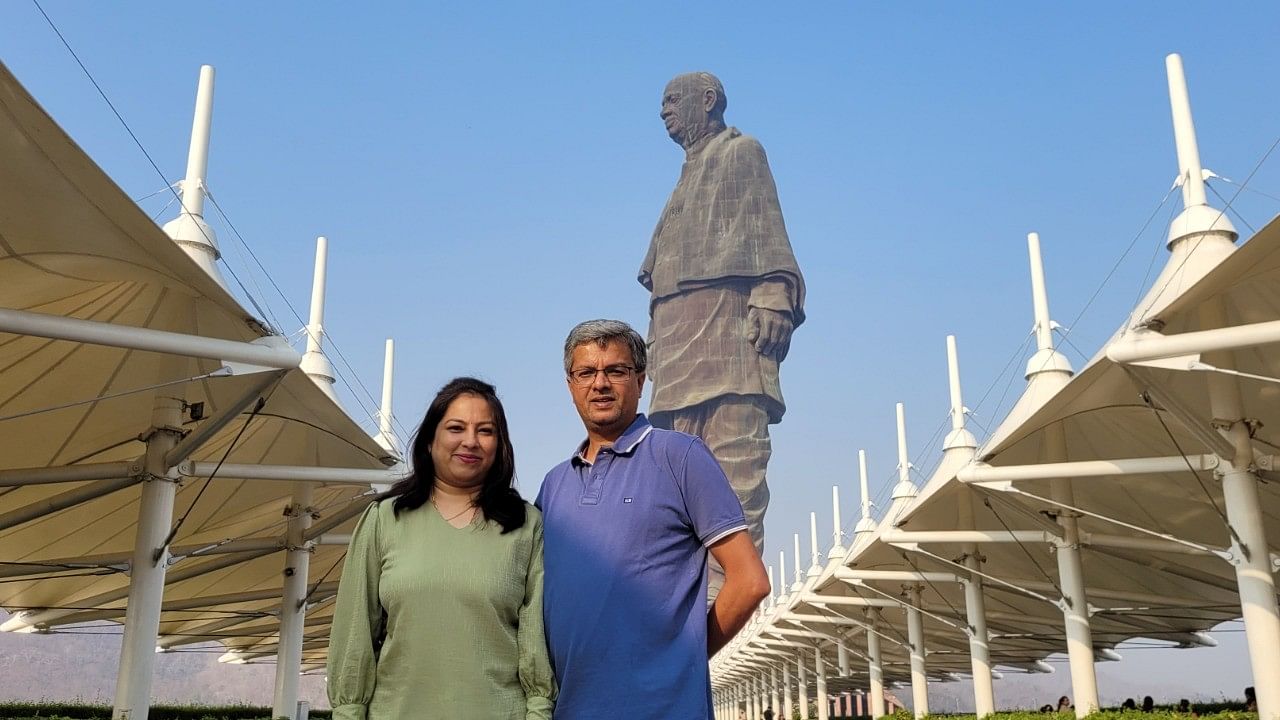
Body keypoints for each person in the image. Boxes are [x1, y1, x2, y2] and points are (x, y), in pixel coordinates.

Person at [538, 319, 771, 719]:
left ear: (641, 380)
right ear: (570, 385)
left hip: (664, 709)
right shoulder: (553, 484)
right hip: (571, 710)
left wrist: (685, 657)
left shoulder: (681, 457)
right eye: (586, 372)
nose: (601, 383)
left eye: (616, 370)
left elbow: (750, 581)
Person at [640, 71, 806, 576]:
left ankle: (729, 589)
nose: (664, 110)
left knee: (734, 473)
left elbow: (767, 230)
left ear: (707, 101)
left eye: (673, 100)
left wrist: (773, 294)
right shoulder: (686, 174)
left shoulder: (741, 152)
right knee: (674, 478)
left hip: (727, 333)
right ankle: (683, 591)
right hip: (675, 343)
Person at [328, 377, 555, 720]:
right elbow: (353, 637)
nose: (470, 441)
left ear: (500, 445)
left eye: (485, 431)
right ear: (430, 440)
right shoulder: (384, 519)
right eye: (456, 427)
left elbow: (535, 645)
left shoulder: (527, 526)